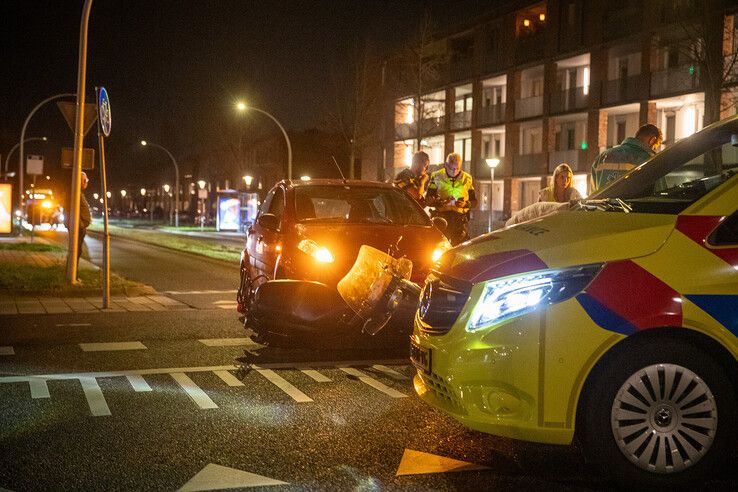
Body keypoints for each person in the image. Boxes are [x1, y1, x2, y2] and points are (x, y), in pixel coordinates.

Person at [590, 123, 662, 192]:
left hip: (604, 204)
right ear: (652, 140)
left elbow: (592, 197)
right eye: (654, 147)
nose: (653, 150)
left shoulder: (601, 157)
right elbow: (658, 193)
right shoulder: (649, 160)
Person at [426, 152, 477, 245]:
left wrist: (465, 204)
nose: (454, 171)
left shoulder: (467, 178)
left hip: (459, 220)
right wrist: (440, 202)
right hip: (441, 218)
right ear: (445, 165)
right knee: (438, 245)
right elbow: (428, 199)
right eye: (451, 168)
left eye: (457, 168)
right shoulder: (437, 176)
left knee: (460, 248)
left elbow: (474, 202)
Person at [77, 172, 91, 267]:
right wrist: (80, 225)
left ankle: (74, 275)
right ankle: (73, 276)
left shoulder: (79, 193)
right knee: (76, 251)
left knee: (78, 251)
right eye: (85, 180)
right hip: (78, 228)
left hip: (80, 227)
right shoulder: (76, 194)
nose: (86, 183)